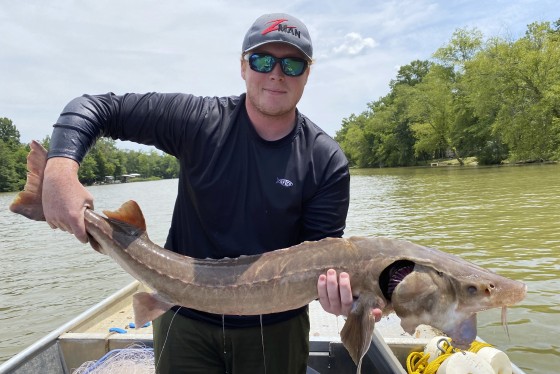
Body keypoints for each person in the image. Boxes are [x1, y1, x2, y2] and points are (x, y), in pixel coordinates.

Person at [42, 13, 380, 373]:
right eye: (262, 60)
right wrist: (60, 168)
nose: (276, 73)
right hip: (182, 316)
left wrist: (339, 295)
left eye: (292, 63)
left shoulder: (326, 161)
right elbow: (95, 107)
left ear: (307, 73)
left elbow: (319, 257)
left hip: (276, 327)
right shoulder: (199, 121)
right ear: (243, 66)